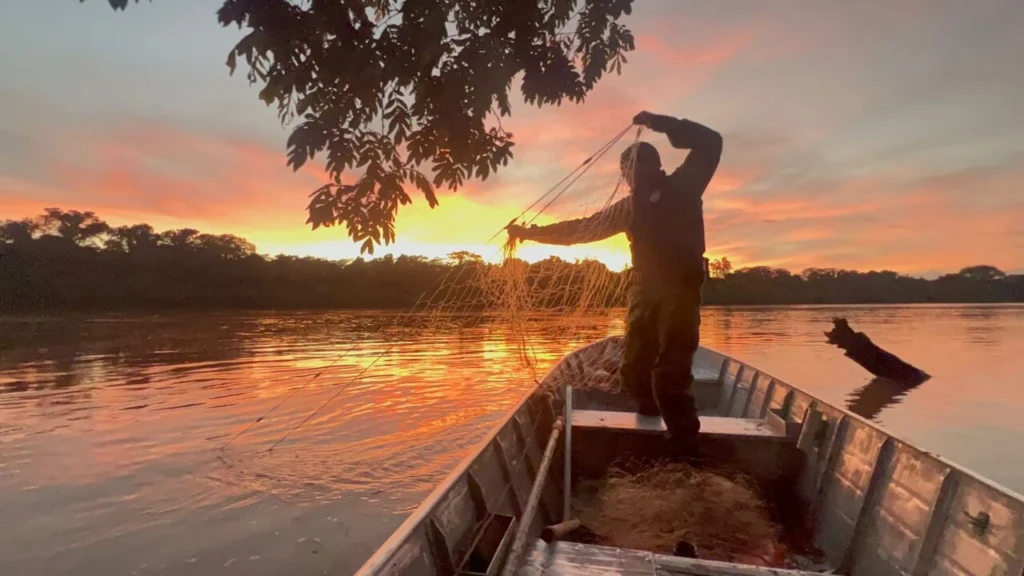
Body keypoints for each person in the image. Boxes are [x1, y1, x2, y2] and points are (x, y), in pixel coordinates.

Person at [507, 111, 723, 452]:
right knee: (634, 372)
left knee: (670, 376)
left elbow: (711, 142)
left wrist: (661, 122)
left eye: (636, 167)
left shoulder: (684, 185)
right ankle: (650, 425)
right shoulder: (629, 207)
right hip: (643, 291)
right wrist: (530, 233)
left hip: (679, 291)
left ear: (655, 165)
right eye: (627, 170)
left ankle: (685, 447)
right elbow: (581, 229)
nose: (631, 175)